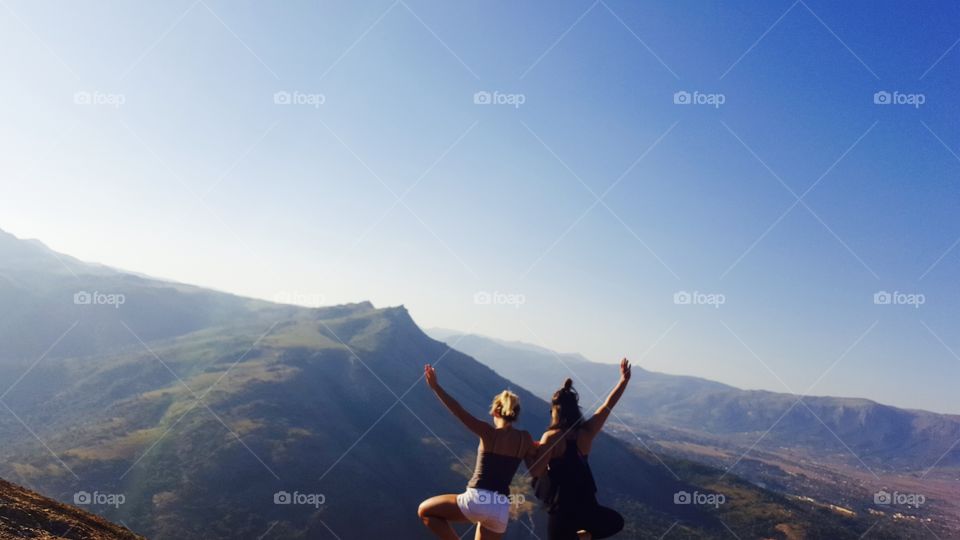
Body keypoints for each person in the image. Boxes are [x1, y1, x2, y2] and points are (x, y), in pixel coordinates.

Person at [418, 364, 538, 539]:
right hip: (501, 509)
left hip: (477, 500)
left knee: (425, 511)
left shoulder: (488, 432)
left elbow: (458, 411)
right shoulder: (525, 439)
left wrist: (436, 387)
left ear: (496, 411)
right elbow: (538, 453)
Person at [530, 358, 631, 540]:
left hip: (562, 508)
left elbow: (536, 470)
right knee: (616, 522)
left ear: (555, 411)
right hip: (587, 506)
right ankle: (585, 536)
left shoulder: (552, 437)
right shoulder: (586, 432)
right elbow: (606, 407)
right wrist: (623, 381)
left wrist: (530, 451)